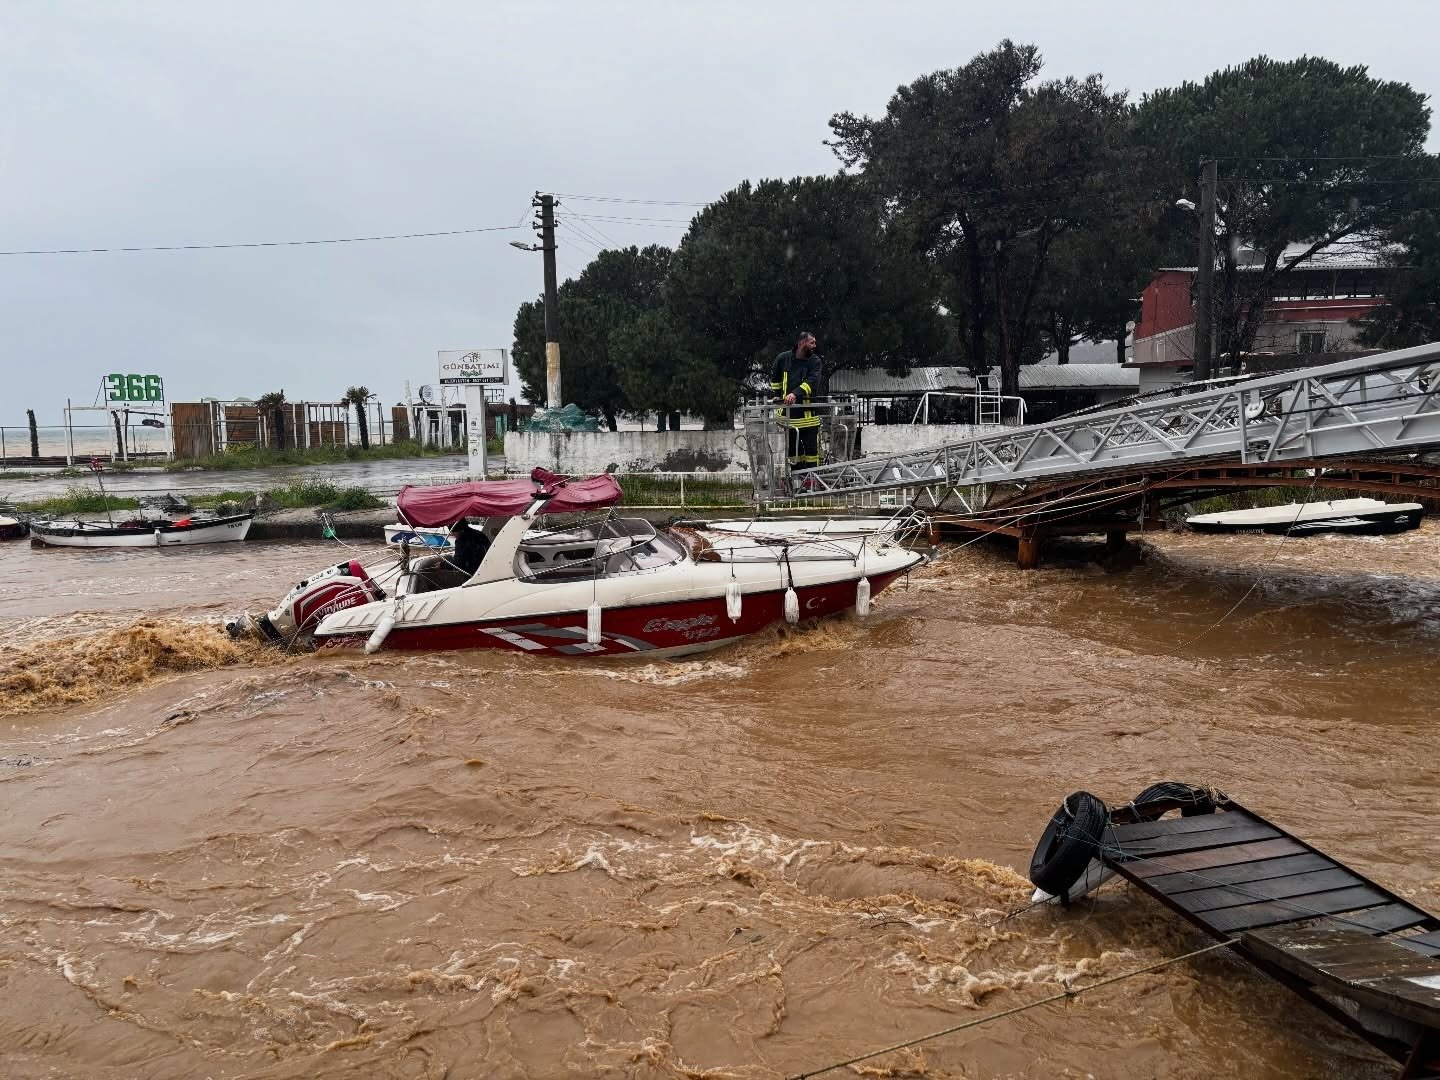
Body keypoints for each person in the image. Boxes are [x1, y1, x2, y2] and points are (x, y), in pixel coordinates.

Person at [770, 332, 823, 469]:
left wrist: (795, 394)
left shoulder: (815, 361)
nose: (814, 346)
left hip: (809, 417)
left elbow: (812, 382)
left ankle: (812, 478)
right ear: (801, 343)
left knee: (811, 452)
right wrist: (778, 395)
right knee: (793, 452)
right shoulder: (783, 359)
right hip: (789, 416)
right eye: (812, 342)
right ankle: (796, 478)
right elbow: (775, 381)